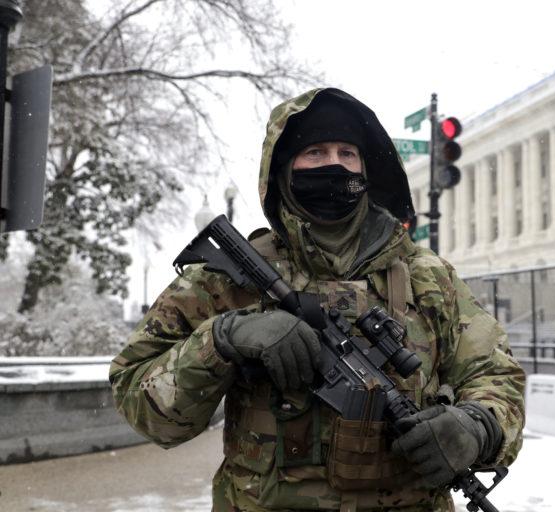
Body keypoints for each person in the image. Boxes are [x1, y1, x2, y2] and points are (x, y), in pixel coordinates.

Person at [110, 88, 526, 512]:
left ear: (366, 167)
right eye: (315, 152)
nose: (334, 164)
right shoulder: (224, 281)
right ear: (285, 169)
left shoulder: (429, 277)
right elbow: (143, 406)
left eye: (348, 152)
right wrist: (221, 339)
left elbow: (496, 374)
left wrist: (477, 427)